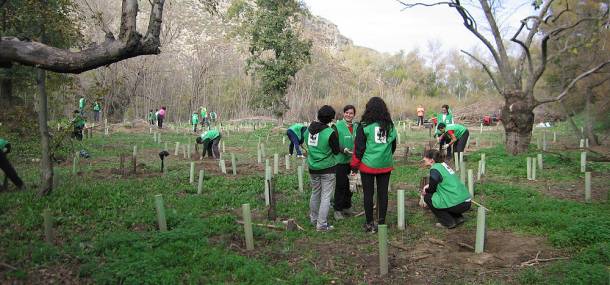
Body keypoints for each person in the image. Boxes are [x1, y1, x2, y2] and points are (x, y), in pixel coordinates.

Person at [351, 97, 397, 233]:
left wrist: (354, 166)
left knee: (368, 194)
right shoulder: (390, 126)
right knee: (383, 194)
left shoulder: (364, 125)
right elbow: (393, 146)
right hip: (385, 164)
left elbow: (359, 149)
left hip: (368, 165)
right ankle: (381, 222)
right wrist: (385, 156)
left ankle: (369, 223)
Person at [306, 105, 341, 232]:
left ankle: (314, 219)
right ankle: (321, 225)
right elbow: (336, 151)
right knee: (326, 196)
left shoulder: (308, 130)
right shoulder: (329, 132)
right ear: (331, 119)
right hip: (327, 168)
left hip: (313, 167)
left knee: (315, 193)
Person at [421, 149, 471, 229]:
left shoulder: (435, 169)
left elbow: (432, 189)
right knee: (442, 197)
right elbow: (442, 182)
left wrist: (425, 191)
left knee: (428, 197)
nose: (423, 159)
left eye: (425, 157)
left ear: (431, 160)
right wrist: (429, 185)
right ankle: (458, 217)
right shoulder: (443, 165)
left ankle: (448, 222)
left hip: (457, 203)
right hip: (465, 201)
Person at [331, 105, 358, 220]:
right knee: (341, 185)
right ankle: (337, 209)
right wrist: (343, 150)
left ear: (354, 115)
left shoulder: (357, 126)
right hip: (341, 161)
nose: (348, 115)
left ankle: (347, 206)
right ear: (343, 113)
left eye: (351, 113)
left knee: (351, 184)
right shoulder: (336, 126)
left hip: (353, 161)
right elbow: (333, 142)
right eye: (346, 113)